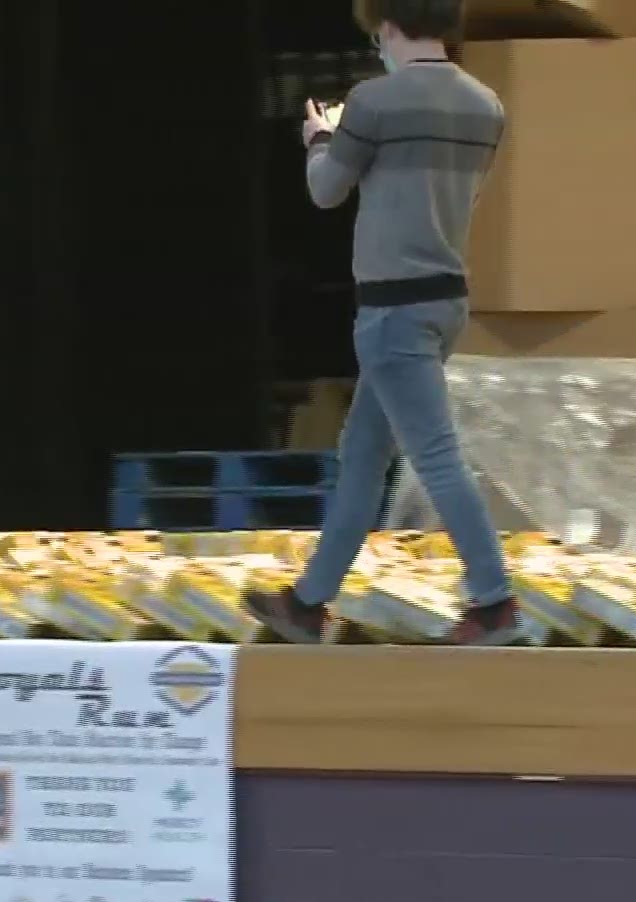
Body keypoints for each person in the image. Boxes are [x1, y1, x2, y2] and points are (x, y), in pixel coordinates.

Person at [244, 0, 524, 647]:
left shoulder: (373, 103)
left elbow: (325, 190)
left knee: (433, 454)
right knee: (364, 455)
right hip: (446, 299)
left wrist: (321, 138)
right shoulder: (486, 106)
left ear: (388, 27)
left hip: (393, 307)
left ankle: (494, 601)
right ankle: (308, 603)